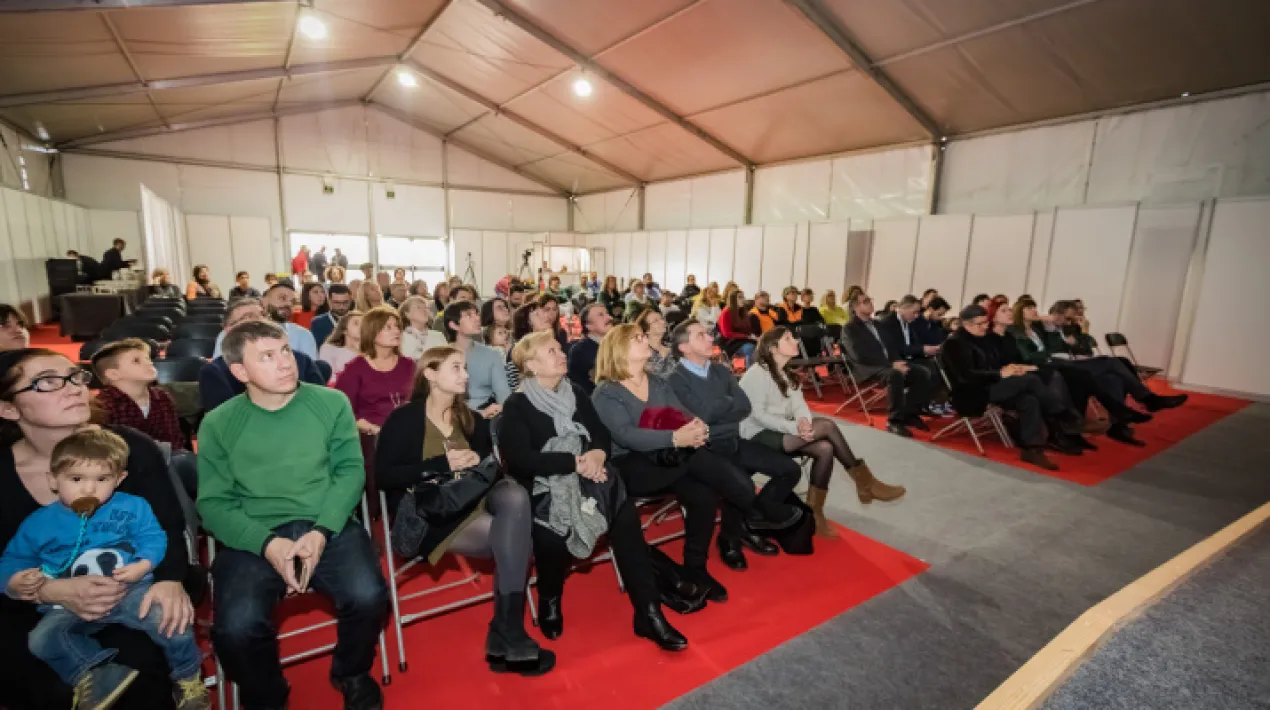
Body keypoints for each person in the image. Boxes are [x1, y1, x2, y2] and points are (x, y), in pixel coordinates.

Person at [197, 321, 388, 710]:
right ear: (239, 372)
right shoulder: (218, 423)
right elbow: (214, 505)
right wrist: (267, 544)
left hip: (325, 522)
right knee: (235, 629)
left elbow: (350, 473)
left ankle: (351, 671)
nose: (285, 363)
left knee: (369, 597)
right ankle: (268, 695)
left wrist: (320, 532)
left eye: (285, 350)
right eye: (267, 356)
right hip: (254, 532)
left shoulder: (330, 402)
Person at [0, 348, 195, 710]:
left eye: (75, 376)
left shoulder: (130, 447)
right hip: (32, 605)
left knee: (142, 665)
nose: (73, 388)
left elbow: (168, 527)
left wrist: (170, 581)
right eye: (47, 382)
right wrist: (50, 590)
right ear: (9, 408)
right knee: (38, 673)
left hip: (135, 583)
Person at [500, 332, 690, 649]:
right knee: (550, 535)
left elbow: (599, 434)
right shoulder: (517, 404)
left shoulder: (574, 392)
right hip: (544, 486)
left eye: (560, 348)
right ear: (531, 365)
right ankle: (550, 598)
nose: (562, 354)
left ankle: (649, 612)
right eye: (552, 351)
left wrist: (598, 454)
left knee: (625, 519)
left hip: (591, 474)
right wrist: (572, 462)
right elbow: (520, 460)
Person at [375, 347, 554, 675]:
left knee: (514, 495)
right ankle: (505, 633)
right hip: (432, 512)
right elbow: (384, 477)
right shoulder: (405, 419)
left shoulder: (469, 418)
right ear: (430, 374)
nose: (466, 375)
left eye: (465, 368)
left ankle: (507, 631)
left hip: (473, 500)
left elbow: (494, 468)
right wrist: (440, 465)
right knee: (517, 542)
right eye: (455, 367)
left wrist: (479, 464)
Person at [592, 325, 802, 601]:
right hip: (633, 465)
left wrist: (696, 427)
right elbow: (628, 436)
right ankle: (755, 506)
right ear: (619, 349)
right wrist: (678, 437)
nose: (646, 341)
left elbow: (683, 414)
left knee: (703, 495)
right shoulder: (607, 392)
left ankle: (696, 569)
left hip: (670, 456)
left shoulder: (656, 382)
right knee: (697, 458)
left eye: (645, 336)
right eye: (638, 338)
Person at [740, 328, 905, 537]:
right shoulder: (757, 373)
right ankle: (865, 483)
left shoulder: (788, 373)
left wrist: (804, 423)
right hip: (756, 434)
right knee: (826, 426)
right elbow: (758, 415)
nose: (796, 341)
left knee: (825, 449)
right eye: (789, 338)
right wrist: (795, 428)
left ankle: (816, 513)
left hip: (781, 431)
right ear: (773, 349)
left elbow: (800, 406)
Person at [667, 320, 804, 569]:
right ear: (684, 347)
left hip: (733, 439)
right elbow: (703, 414)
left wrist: (719, 408)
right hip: (705, 448)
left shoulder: (720, 370)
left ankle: (755, 518)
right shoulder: (676, 379)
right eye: (701, 336)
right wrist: (724, 405)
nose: (710, 338)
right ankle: (730, 539)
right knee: (740, 483)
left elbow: (744, 406)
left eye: (708, 334)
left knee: (790, 470)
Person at [942, 305, 1081, 470]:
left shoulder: (984, 338)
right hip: (972, 393)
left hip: (991, 386)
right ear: (967, 324)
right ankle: (1065, 416)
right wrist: (1000, 374)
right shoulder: (954, 343)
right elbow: (965, 376)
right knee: (1030, 381)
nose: (986, 326)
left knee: (1029, 400)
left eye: (986, 322)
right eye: (981, 324)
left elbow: (996, 364)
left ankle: (1032, 449)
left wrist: (1014, 368)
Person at [201, 299, 326, 411]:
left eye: (263, 314)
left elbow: (320, 404)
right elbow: (225, 421)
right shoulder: (215, 372)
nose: (259, 320)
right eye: (248, 317)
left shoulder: (301, 360)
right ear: (229, 330)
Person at [843, 293, 933, 438]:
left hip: (888, 364)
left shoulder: (878, 324)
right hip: (869, 368)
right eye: (865, 301)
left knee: (922, 372)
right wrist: (892, 364)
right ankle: (894, 421)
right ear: (855, 307)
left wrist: (898, 361)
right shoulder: (850, 328)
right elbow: (860, 355)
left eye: (870, 299)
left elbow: (891, 348)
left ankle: (909, 414)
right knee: (895, 374)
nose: (870, 303)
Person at [334, 306, 415, 437]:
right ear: (372, 332)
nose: (396, 331)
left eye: (397, 327)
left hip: (408, 432)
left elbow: (421, 401)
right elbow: (342, 410)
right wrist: (372, 428)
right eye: (388, 327)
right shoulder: (355, 369)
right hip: (371, 436)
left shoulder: (409, 365)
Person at [92, 339, 185, 452]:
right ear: (113, 374)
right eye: (136, 361)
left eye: (148, 359)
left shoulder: (162, 397)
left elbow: (175, 439)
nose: (149, 363)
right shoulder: (103, 405)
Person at [213, 284, 317, 360]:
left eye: (293, 302)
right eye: (282, 298)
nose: (288, 304)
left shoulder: (303, 335)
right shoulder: (227, 335)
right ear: (264, 301)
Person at [442, 302, 511, 417]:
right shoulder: (441, 356)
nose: (477, 318)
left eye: (477, 314)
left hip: (484, 414)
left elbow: (503, 395)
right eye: (469, 315)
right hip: (449, 414)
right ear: (454, 325)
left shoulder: (491, 354)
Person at [566, 303, 611, 396]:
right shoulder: (580, 352)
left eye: (607, 313)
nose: (609, 317)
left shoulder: (617, 344)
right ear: (588, 326)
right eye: (601, 315)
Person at [318, 311, 364, 383]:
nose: (361, 327)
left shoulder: (371, 352)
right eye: (356, 323)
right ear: (344, 330)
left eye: (364, 324)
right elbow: (328, 377)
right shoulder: (328, 349)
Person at [718, 289, 757, 367]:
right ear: (733, 300)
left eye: (743, 297)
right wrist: (747, 336)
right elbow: (727, 334)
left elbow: (747, 330)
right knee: (750, 348)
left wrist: (754, 336)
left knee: (761, 347)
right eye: (740, 297)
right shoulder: (726, 312)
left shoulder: (743, 312)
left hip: (742, 340)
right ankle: (749, 372)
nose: (743, 299)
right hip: (730, 342)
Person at [634, 308, 675, 378]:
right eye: (656, 321)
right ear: (646, 330)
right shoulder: (643, 354)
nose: (663, 322)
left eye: (662, 318)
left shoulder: (671, 345)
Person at [310, 283, 352, 348]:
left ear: (350, 301)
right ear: (329, 301)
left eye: (345, 302)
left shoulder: (357, 321)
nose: (341, 306)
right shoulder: (318, 323)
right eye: (337, 302)